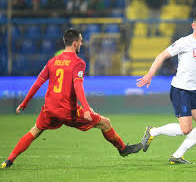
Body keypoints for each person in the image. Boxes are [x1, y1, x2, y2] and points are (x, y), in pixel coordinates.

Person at [1, 28, 142, 169]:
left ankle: (9, 160)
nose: (81, 44)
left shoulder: (52, 61)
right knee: (105, 123)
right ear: (75, 43)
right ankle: (123, 149)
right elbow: (78, 87)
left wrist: (24, 103)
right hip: (68, 111)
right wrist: (86, 109)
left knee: (35, 131)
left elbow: (37, 83)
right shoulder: (78, 62)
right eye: (80, 41)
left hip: (49, 109)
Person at [136, 12, 196, 164]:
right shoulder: (184, 42)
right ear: (193, 25)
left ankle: (177, 156)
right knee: (185, 129)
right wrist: (149, 75)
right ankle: (153, 131)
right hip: (180, 90)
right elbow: (161, 56)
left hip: (194, 90)